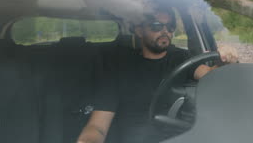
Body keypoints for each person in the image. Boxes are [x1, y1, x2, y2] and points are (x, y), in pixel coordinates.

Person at [77, 8, 237, 143]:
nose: (165, 31)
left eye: (170, 26)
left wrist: (225, 60)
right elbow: (97, 126)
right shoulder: (119, 68)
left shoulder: (181, 58)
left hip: (181, 136)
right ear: (139, 31)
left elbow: (211, 77)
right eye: (156, 26)